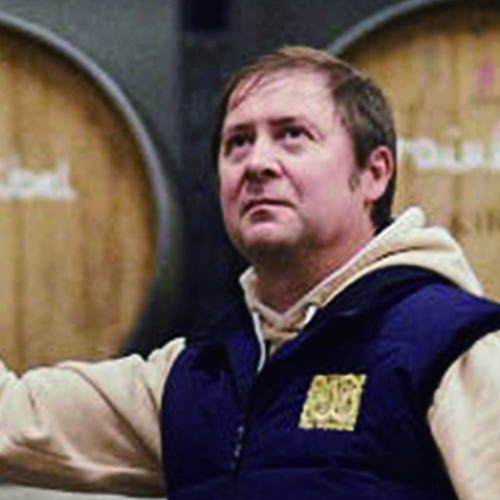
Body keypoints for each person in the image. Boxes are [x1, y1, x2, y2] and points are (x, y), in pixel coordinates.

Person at [0, 46, 499, 500]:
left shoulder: (455, 349)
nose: (257, 162)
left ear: (374, 173)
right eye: (237, 142)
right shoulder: (195, 376)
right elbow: (14, 418)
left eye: (293, 136)